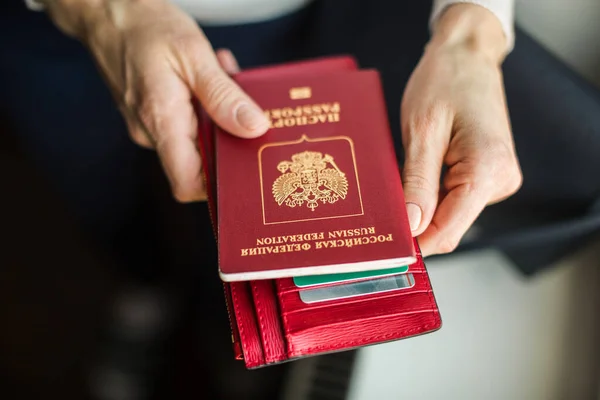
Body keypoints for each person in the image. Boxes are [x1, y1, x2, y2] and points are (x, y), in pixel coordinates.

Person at [1, 0, 600, 397]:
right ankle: (144, 290)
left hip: (288, 16)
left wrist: (471, 35)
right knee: (96, 180)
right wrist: (107, 12)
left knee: (241, 217)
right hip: (52, 26)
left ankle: (216, 330)